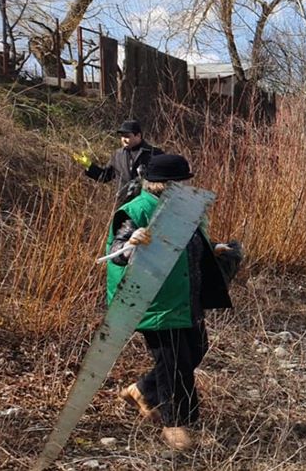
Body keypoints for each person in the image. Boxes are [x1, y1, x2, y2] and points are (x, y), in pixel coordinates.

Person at [105, 154, 234, 451]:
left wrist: (213, 248)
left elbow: (189, 245)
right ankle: (176, 425)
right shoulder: (134, 210)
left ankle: (142, 390)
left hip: (186, 296)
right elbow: (117, 249)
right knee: (175, 363)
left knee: (196, 350)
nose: (185, 186)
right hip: (154, 301)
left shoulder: (181, 209)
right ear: (163, 184)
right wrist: (130, 243)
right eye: (179, 182)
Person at [73, 119, 164, 205]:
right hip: (123, 204)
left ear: (138, 136)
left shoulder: (154, 154)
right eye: (122, 136)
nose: (124, 139)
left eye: (127, 136)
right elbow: (105, 176)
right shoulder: (118, 155)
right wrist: (90, 165)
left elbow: (164, 181)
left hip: (147, 203)